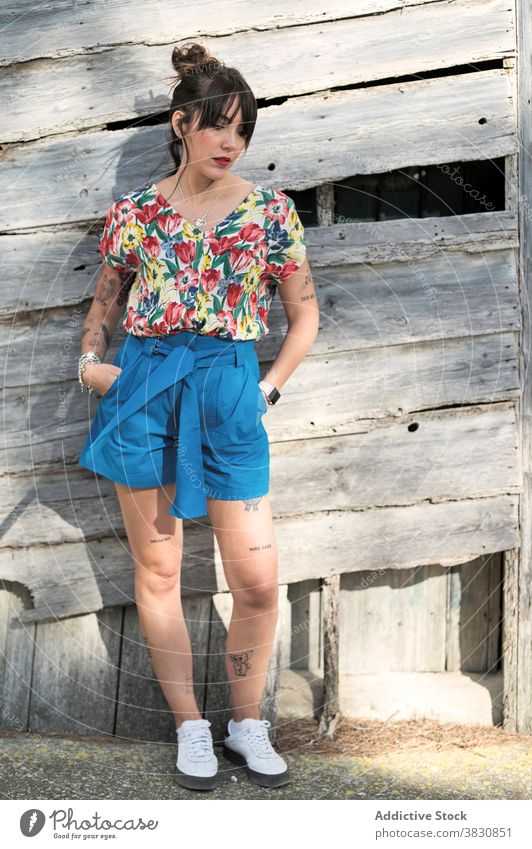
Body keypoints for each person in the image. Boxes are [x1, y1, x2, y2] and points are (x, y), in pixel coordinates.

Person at [77, 41, 319, 791]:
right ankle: (190, 727)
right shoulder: (137, 212)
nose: (229, 142)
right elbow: (103, 307)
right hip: (147, 387)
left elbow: (304, 315)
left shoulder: (271, 213)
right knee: (160, 571)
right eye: (216, 125)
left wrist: (266, 388)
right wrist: (91, 365)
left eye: (241, 130)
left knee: (256, 582)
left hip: (229, 388)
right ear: (182, 123)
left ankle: (246, 722)